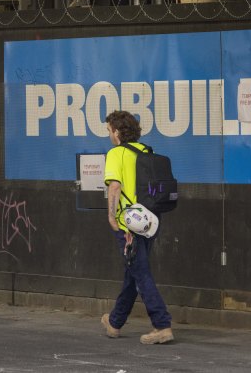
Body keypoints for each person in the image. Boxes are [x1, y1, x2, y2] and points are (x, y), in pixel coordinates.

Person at [101, 110, 174, 345]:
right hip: (150, 220)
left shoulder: (116, 154)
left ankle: (162, 324)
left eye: (110, 131)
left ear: (117, 131)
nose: (109, 135)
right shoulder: (145, 151)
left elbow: (114, 187)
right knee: (133, 271)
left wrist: (112, 218)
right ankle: (114, 322)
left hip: (128, 225)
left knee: (140, 272)